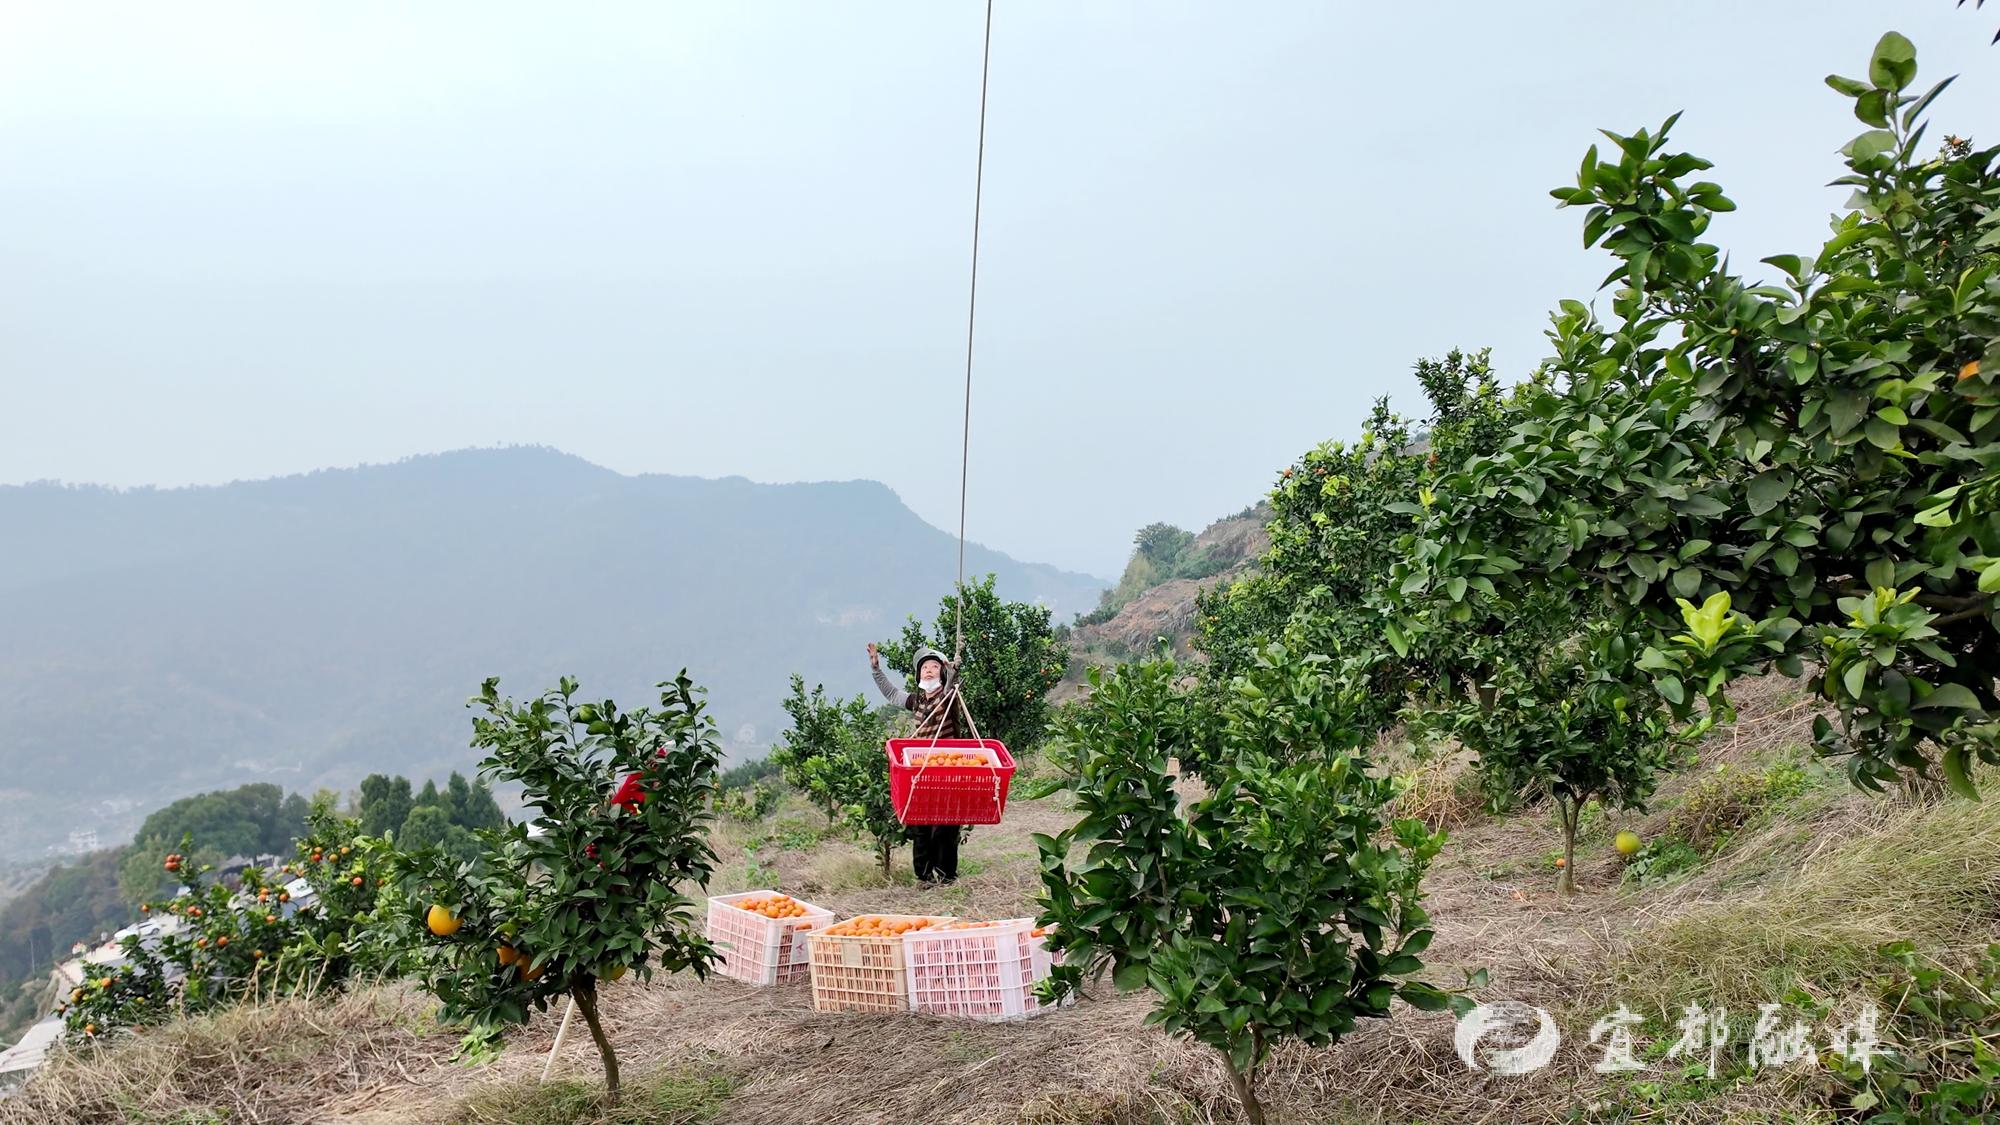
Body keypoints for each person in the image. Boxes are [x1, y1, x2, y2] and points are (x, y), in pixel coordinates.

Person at [869, 641, 965, 884]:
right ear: (919, 675)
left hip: (946, 769)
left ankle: (946, 875)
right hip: (921, 770)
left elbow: (953, 684)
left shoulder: (948, 698)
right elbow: (891, 693)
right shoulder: (916, 701)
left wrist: (953, 669)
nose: (929, 670)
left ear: (941, 672)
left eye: (934, 666)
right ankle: (924, 877)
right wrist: (876, 669)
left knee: (945, 825)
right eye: (924, 668)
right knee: (921, 825)